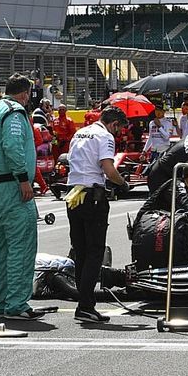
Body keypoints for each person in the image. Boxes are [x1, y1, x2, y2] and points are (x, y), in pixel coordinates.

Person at [0, 74, 44, 321]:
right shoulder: (15, 112)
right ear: (26, 94)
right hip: (10, 185)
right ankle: (16, 304)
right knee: (22, 244)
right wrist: (23, 178)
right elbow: (13, 146)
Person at [65, 105, 130, 323]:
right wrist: (123, 183)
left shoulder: (79, 132)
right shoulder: (105, 136)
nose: (118, 133)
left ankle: (83, 304)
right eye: (119, 129)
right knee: (95, 252)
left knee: (81, 251)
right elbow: (108, 169)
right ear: (113, 124)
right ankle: (85, 305)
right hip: (93, 196)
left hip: (73, 194)